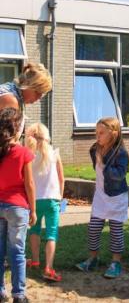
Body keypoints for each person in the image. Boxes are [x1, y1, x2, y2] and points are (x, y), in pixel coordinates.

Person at [75, 117, 129, 279]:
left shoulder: (121, 153)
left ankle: (116, 262)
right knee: (93, 229)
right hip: (100, 196)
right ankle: (93, 258)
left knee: (116, 231)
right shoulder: (95, 149)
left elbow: (120, 174)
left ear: (113, 134)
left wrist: (106, 167)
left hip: (116, 197)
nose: (97, 136)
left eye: (101, 133)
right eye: (96, 132)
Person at [0, 108, 36, 303]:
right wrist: (33, 209)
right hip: (17, 207)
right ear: (18, 128)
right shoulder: (23, 153)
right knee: (17, 252)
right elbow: (29, 184)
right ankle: (19, 295)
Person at [25, 123, 64, 282]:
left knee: (34, 230)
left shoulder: (28, 155)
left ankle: (35, 260)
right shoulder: (54, 153)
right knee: (51, 233)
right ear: (47, 136)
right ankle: (49, 267)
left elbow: (25, 180)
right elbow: (61, 178)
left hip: (33, 201)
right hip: (52, 200)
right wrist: (60, 197)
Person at [0, 62, 52, 132]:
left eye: (42, 94)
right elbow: (8, 138)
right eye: (38, 92)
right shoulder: (11, 100)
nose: (39, 97)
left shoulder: (14, 93)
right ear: (28, 85)